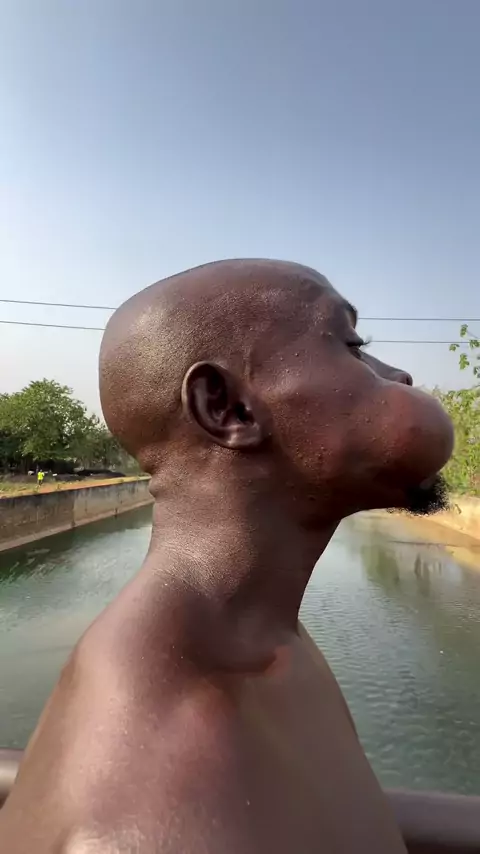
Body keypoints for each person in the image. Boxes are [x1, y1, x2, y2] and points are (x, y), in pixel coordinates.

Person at [0, 259, 453, 853]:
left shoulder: (268, 641)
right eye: (351, 345)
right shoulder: (160, 799)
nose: (400, 374)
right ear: (228, 408)